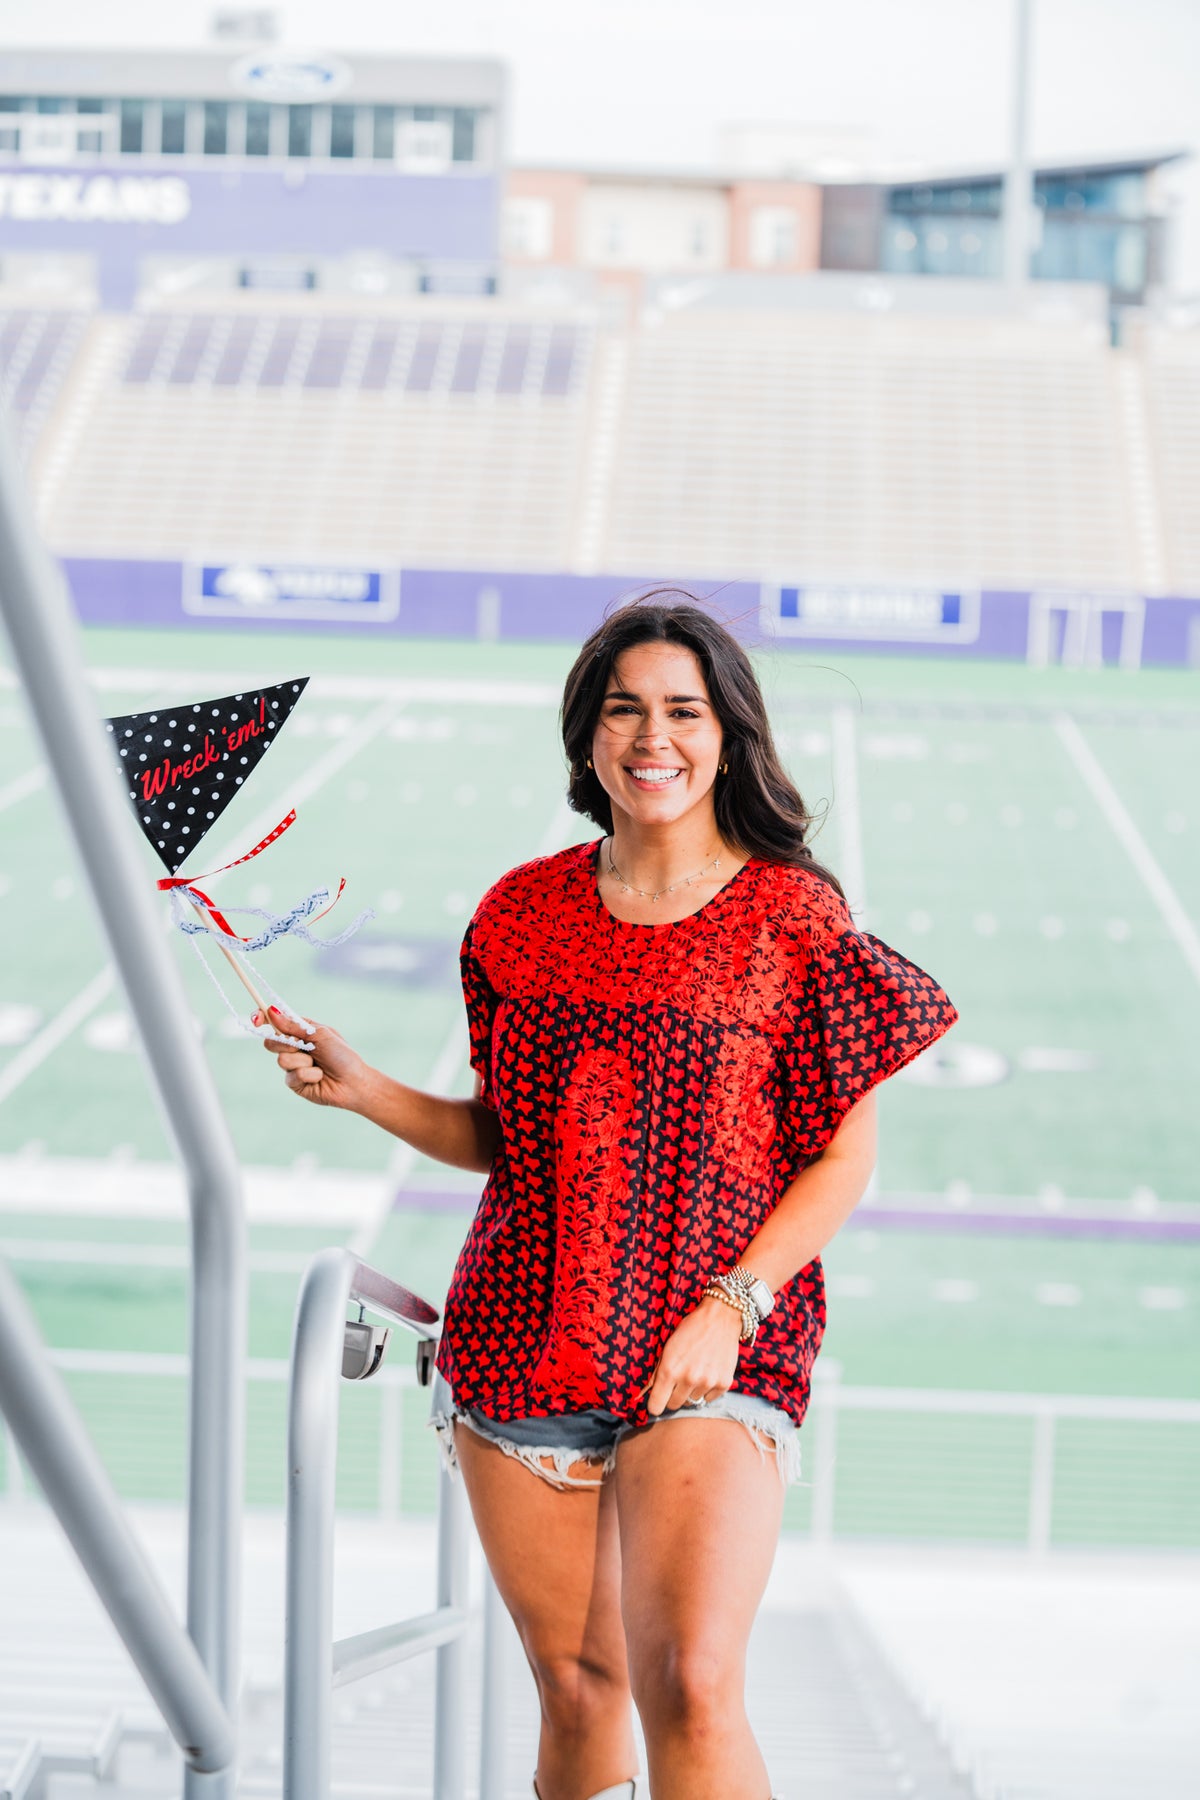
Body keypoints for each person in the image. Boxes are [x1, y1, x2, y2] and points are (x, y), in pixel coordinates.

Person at [261, 594, 957, 1800]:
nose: (655, 738)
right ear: (588, 736)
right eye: (625, 709)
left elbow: (843, 1160)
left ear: (728, 733)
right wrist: (371, 1091)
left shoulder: (796, 915)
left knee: (689, 1679)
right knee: (579, 1692)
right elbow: (514, 1137)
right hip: (519, 1345)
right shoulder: (517, 913)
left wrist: (731, 1307)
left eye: (684, 711)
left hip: (710, 1348)